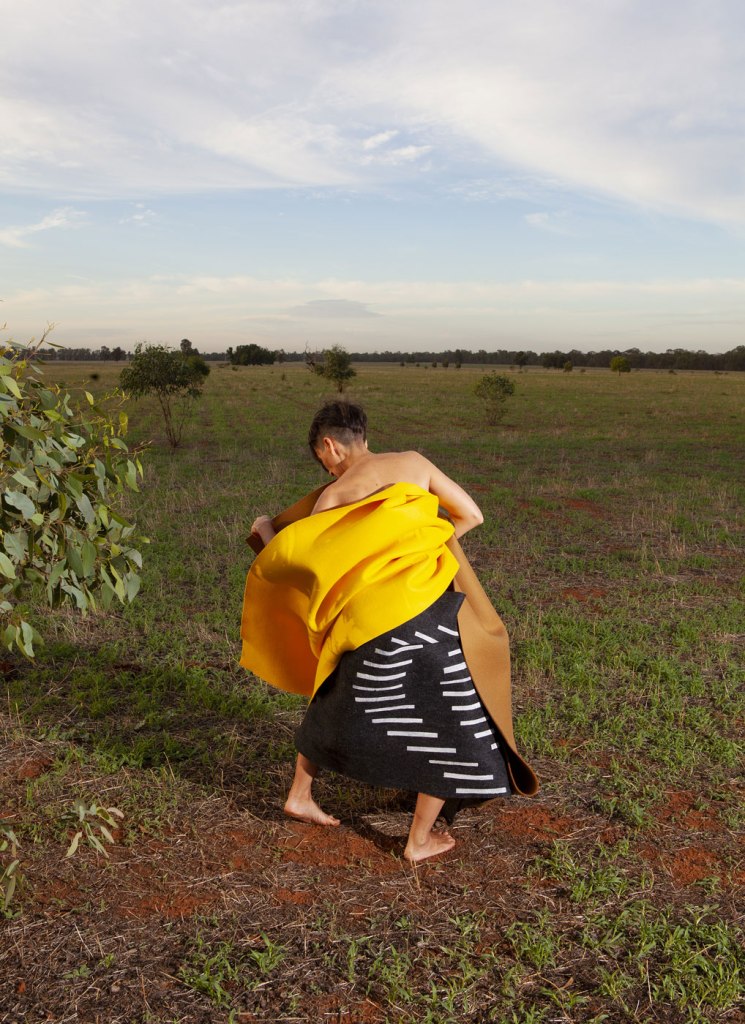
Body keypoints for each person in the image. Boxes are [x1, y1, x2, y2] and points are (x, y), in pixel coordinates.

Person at [241, 400, 537, 864]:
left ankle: (301, 794)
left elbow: (303, 566)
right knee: (454, 714)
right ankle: (418, 839)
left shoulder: (333, 497)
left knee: (334, 696)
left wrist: (265, 531)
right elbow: (471, 516)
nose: (325, 466)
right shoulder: (414, 464)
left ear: (329, 446)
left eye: (321, 459)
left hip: (364, 625)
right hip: (426, 610)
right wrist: (418, 545)